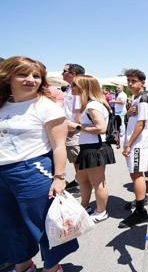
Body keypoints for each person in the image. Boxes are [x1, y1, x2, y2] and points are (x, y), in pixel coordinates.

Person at [0, 56, 78, 272]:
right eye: (23, 74)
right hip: (2, 175)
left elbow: (59, 146)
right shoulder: (2, 104)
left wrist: (60, 177)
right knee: (9, 226)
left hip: (33, 171)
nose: (31, 79)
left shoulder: (46, 106)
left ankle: (52, 268)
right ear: (8, 77)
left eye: (36, 75)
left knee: (44, 225)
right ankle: (23, 266)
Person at [68, 75, 116, 223]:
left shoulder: (92, 105)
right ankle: (85, 205)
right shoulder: (90, 104)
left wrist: (76, 126)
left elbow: (101, 128)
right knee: (82, 179)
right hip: (88, 147)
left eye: (75, 85)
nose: (71, 87)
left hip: (95, 148)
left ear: (84, 87)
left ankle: (101, 211)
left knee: (98, 182)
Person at [118, 69, 148, 228]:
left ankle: (141, 212)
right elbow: (133, 119)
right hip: (133, 142)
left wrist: (129, 144)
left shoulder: (144, 98)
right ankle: (141, 198)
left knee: (138, 174)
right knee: (134, 173)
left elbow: (142, 123)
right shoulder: (137, 98)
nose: (130, 84)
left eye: (133, 81)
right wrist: (128, 113)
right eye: (128, 81)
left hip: (138, 143)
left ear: (142, 82)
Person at [62, 63, 85, 189]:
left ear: (73, 74)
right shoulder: (69, 88)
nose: (62, 73)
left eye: (64, 71)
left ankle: (83, 186)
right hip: (69, 127)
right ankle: (79, 181)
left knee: (77, 160)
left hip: (73, 130)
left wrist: (72, 127)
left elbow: (79, 113)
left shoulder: (78, 89)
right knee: (75, 159)